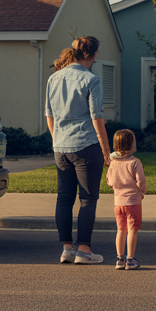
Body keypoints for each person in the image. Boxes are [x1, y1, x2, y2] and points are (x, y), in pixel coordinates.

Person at [45, 36, 112, 264]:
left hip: (60, 147)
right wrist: (106, 152)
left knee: (64, 198)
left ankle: (67, 249)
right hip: (86, 145)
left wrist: (58, 140)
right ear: (89, 54)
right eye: (96, 52)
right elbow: (97, 118)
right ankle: (83, 250)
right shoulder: (91, 80)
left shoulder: (53, 79)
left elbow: (49, 116)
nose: (97, 56)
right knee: (87, 199)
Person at [106, 129, 147, 270]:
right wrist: (142, 190)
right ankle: (130, 260)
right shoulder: (135, 162)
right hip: (133, 202)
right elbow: (140, 181)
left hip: (118, 202)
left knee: (120, 230)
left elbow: (109, 181)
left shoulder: (113, 162)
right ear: (131, 145)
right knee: (132, 230)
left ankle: (120, 259)